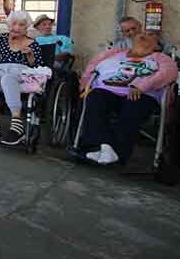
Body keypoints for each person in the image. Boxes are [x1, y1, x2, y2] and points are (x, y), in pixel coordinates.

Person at [76, 30, 177, 165]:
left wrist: (141, 86)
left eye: (150, 35)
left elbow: (169, 73)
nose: (144, 35)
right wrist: (84, 86)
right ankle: (103, 147)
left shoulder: (161, 58)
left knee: (133, 106)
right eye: (143, 33)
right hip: (107, 90)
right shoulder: (115, 53)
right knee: (94, 98)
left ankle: (118, 152)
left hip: (142, 94)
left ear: (157, 46)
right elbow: (92, 67)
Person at [0, 11, 46, 145]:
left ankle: (17, 124)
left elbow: (37, 67)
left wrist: (30, 56)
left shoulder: (32, 43)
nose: (16, 27)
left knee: (8, 79)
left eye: (21, 25)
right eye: (14, 24)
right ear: (9, 25)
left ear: (26, 27)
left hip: (18, 69)